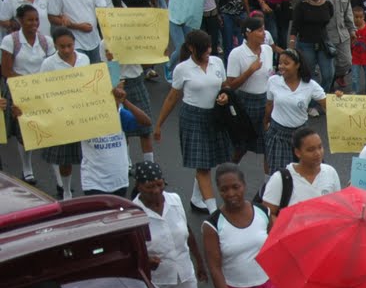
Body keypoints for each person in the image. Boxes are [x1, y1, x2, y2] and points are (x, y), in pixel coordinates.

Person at [154, 29, 230, 216]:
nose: (208, 52)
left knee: (209, 160)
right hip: (193, 117)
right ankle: (214, 211)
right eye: (204, 49)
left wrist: (224, 96)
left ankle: (197, 198)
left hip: (214, 116)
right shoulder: (182, 69)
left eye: (210, 48)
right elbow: (172, 98)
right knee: (202, 165)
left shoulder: (217, 62)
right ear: (191, 48)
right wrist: (158, 125)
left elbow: (225, 86)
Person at [133, 161, 206, 288]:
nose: (156, 191)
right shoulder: (133, 214)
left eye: (159, 184)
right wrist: (145, 260)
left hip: (185, 274)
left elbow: (188, 232)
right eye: (150, 187)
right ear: (139, 187)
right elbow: (131, 251)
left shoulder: (175, 200)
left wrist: (199, 262)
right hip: (158, 281)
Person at [1, 2, 49, 186]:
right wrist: (27, 83)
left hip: (40, 91)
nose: (34, 23)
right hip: (18, 91)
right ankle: (27, 168)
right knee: (23, 131)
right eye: (30, 20)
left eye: (36, 19)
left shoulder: (45, 41)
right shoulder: (10, 41)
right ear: (20, 21)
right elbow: (6, 70)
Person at [37, 26, 85, 199]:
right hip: (61, 114)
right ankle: (66, 191)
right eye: (62, 46)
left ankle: (89, 187)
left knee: (87, 156)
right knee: (65, 158)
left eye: (69, 46)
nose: (66, 50)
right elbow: (42, 89)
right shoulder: (48, 64)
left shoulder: (84, 59)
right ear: (55, 46)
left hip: (83, 113)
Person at [263, 48, 328, 173]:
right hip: (278, 134)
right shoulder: (273, 81)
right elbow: (269, 105)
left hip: (302, 134)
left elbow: (328, 105)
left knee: (309, 172)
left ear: (298, 65)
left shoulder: (310, 85)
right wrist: (265, 123)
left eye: (286, 63)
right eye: (280, 63)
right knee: (281, 175)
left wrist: (338, 96)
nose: (281, 67)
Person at [79, 83, 150, 197]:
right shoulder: (83, 118)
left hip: (119, 181)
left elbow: (146, 122)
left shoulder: (120, 114)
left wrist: (124, 101)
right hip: (94, 183)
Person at [225, 16, 273, 173]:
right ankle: (229, 173)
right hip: (245, 102)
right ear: (248, 33)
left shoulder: (268, 50)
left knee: (268, 146)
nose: (264, 33)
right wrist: (250, 71)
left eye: (263, 29)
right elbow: (231, 85)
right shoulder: (236, 54)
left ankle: (267, 187)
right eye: (259, 30)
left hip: (266, 102)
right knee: (241, 146)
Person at [262, 127, 340, 217]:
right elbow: (267, 214)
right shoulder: (280, 179)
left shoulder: (330, 172)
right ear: (297, 152)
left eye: (320, 147)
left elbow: (337, 208)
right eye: (311, 150)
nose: (318, 153)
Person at [290, 0, 334, 97]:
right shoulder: (301, 6)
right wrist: (292, 44)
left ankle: (322, 97)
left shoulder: (328, 5)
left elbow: (329, 18)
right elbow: (295, 26)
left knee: (328, 74)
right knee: (309, 74)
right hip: (305, 44)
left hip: (323, 43)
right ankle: (311, 102)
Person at [323, 0, 355, 92]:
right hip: (326, 34)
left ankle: (334, 78)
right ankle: (327, 87)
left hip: (343, 33)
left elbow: (348, 10)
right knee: (327, 66)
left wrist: (352, 29)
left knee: (346, 62)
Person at [350, 5, 366, 94]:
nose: (358, 19)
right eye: (356, 17)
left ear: (364, 17)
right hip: (355, 56)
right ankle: (355, 90)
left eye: (361, 17)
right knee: (355, 76)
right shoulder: (351, 29)